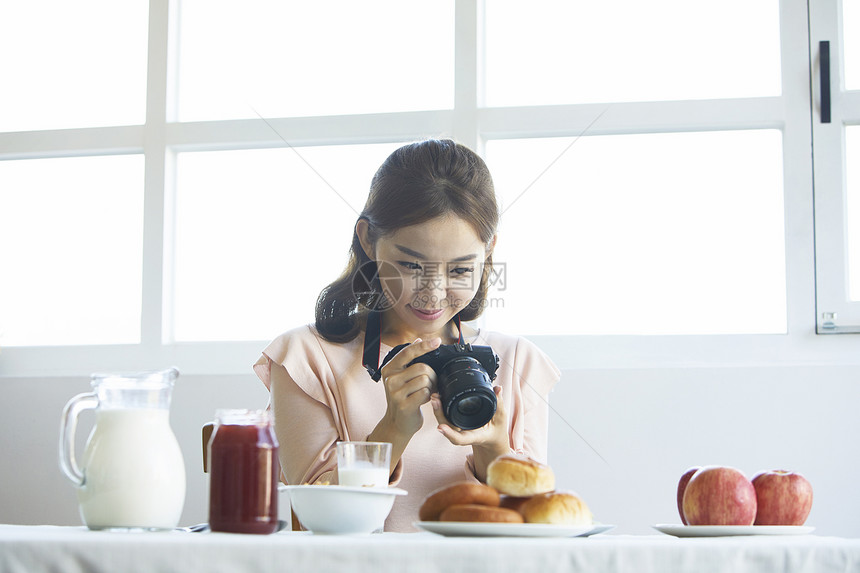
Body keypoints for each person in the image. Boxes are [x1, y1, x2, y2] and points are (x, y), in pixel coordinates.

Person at [253, 139, 560, 532]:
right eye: (411, 265)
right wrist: (392, 429)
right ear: (367, 239)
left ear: (489, 252)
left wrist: (492, 446)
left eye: (461, 271)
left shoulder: (519, 361)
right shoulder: (306, 358)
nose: (433, 293)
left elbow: (536, 530)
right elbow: (319, 520)